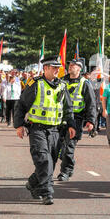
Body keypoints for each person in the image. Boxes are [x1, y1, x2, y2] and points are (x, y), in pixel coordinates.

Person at [14, 56, 76, 205]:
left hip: (55, 131)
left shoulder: (62, 86)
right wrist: (19, 125)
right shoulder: (36, 84)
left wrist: (71, 125)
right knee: (43, 161)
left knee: (51, 163)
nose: (57, 70)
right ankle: (47, 193)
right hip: (37, 130)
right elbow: (21, 105)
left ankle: (32, 184)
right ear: (46, 68)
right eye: (54, 67)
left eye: (58, 68)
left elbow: (68, 108)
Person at [57, 59, 96, 181]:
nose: (70, 67)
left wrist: (91, 121)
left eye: (73, 66)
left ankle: (65, 172)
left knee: (69, 147)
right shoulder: (61, 81)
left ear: (79, 69)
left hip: (76, 119)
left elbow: (91, 103)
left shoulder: (85, 83)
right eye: (70, 65)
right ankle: (69, 163)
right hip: (60, 118)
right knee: (58, 147)